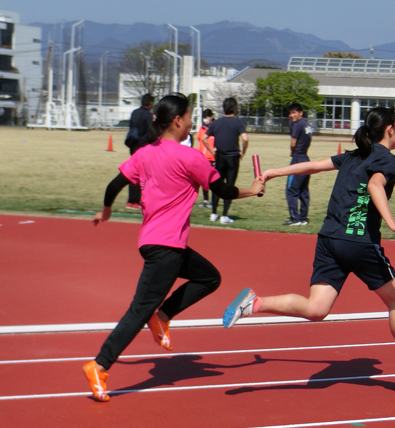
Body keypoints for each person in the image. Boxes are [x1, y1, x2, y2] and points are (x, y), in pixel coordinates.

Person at [223, 106, 395, 385]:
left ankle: (255, 303)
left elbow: (313, 165)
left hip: (329, 239)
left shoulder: (354, 155)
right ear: (390, 130)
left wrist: (275, 172)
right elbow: (375, 186)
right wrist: (393, 223)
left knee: (317, 308)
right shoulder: (387, 159)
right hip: (358, 240)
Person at [83, 94, 264, 402]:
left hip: (157, 242)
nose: (193, 123)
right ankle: (99, 365)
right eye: (190, 117)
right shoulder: (190, 157)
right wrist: (252, 190)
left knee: (209, 278)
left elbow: (114, 185)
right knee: (139, 310)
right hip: (166, 247)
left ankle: (163, 316)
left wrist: (107, 211)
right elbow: (223, 189)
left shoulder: (145, 153)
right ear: (178, 120)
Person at [203, 97, 249, 224]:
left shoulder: (216, 123)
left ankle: (213, 213)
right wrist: (243, 152)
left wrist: (212, 151)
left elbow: (204, 138)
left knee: (218, 185)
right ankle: (224, 215)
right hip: (233, 157)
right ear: (235, 109)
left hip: (220, 157)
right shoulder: (238, 123)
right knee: (229, 186)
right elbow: (245, 139)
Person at [284, 102, 312, 226]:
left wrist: (292, 152)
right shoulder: (307, 125)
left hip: (298, 159)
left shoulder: (296, 124)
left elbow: (293, 142)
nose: (291, 115)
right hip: (306, 159)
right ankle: (303, 217)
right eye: (290, 113)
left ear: (301, 112)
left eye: (294, 112)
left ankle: (295, 218)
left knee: (291, 189)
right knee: (303, 190)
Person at [124, 93, 154, 209]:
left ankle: (131, 200)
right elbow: (151, 131)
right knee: (143, 174)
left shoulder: (134, 113)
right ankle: (138, 201)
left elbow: (131, 126)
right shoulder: (148, 115)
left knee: (133, 172)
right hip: (143, 146)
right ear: (150, 103)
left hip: (133, 145)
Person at [197, 109, 216, 208]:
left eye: (207, 117)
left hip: (213, 158)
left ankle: (213, 200)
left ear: (211, 117)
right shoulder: (202, 129)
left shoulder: (215, 128)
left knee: (213, 180)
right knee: (203, 180)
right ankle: (205, 199)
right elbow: (199, 140)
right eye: (204, 117)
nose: (205, 119)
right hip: (202, 158)